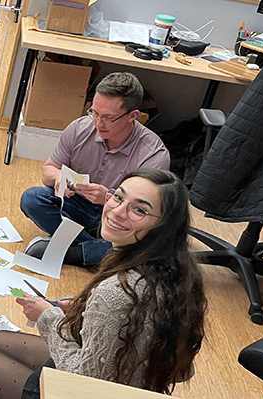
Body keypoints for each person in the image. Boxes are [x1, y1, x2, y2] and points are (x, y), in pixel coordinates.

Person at [0, 169, 206, 399]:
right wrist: (92, 316)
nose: (116, 211)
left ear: (162, 225)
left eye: (139, 209)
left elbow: (82, 381)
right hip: (136, 394)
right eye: (118, 197)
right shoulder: (179, 270)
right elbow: (182, 369)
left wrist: (47, 316)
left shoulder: (117, 289)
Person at [20, 72, 170, 267]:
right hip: (78, 206)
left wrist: (108, 198)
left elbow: (144, 213)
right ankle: (99, 252)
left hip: (121, 218)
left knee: (144, 242)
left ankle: (72, 251)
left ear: (133, 116)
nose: (98, 123)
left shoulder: (153, 155)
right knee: (32, 198)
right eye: (94, 112)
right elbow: (48, 170)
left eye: (108, 118)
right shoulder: (79, 128)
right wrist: (58, 177)